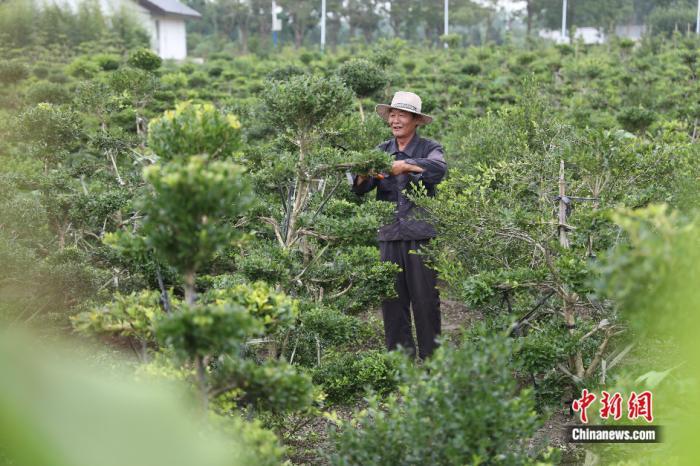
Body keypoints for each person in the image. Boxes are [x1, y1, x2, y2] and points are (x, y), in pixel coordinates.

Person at [352, 91, 447, 360]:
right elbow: (360, 189)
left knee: (426, 300)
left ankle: (431, 360)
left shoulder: (430, 147)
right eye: (392, 114)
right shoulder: (381, 151)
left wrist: (404, 165)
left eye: (401, 115)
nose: (395, 119)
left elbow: (439, 169)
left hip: (421, 236)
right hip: (389, 235)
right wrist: (363, 172)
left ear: (415, 120)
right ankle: (399, 360)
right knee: (392, 299)